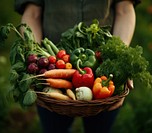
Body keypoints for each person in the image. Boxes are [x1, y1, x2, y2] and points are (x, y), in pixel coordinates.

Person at [14, 0, 140, 133]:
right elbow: (32, 13)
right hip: (52, 65)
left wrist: (119, 57)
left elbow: (124, 9)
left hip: (104, 63)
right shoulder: (47, 72)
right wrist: (36, 59)